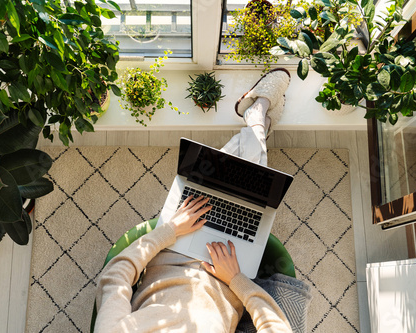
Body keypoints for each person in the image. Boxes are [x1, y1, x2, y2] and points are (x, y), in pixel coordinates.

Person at [95, 69, 292, 333]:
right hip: (227, 275)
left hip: (172, 252)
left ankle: (256, 124)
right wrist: (236, 280)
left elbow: (114, 276)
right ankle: (256, 124)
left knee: (213, 184)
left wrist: (169, 231)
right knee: (252, 193)